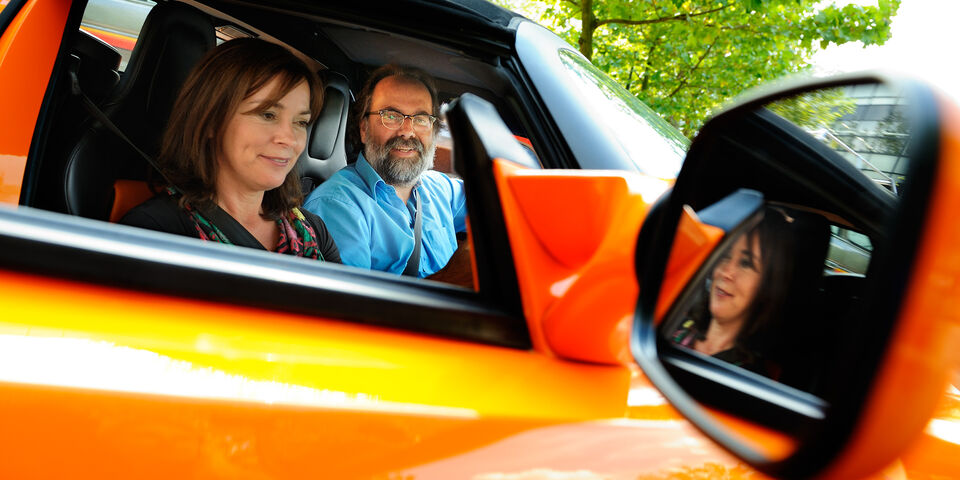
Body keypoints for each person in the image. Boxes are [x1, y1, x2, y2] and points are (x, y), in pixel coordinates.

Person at [121, 38, 340, 262]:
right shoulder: (157, 233)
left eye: (300, 122)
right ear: (210, 121)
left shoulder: (312, 230)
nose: (290, 139)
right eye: (268, 115)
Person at [302, 64, 466, 277]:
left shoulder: (439, 188)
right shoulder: (337, 207)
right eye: (391, 116)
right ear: (364, 129)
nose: (408, 132)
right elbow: (350, 307)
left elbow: (502, 203)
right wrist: (454, 278)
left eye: (421, 119)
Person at [671, 207, 801, 376]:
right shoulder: (675, 323)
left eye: (746, 263)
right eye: (725, 255)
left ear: (768, 285)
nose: (726, 272)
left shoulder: (751, 377)